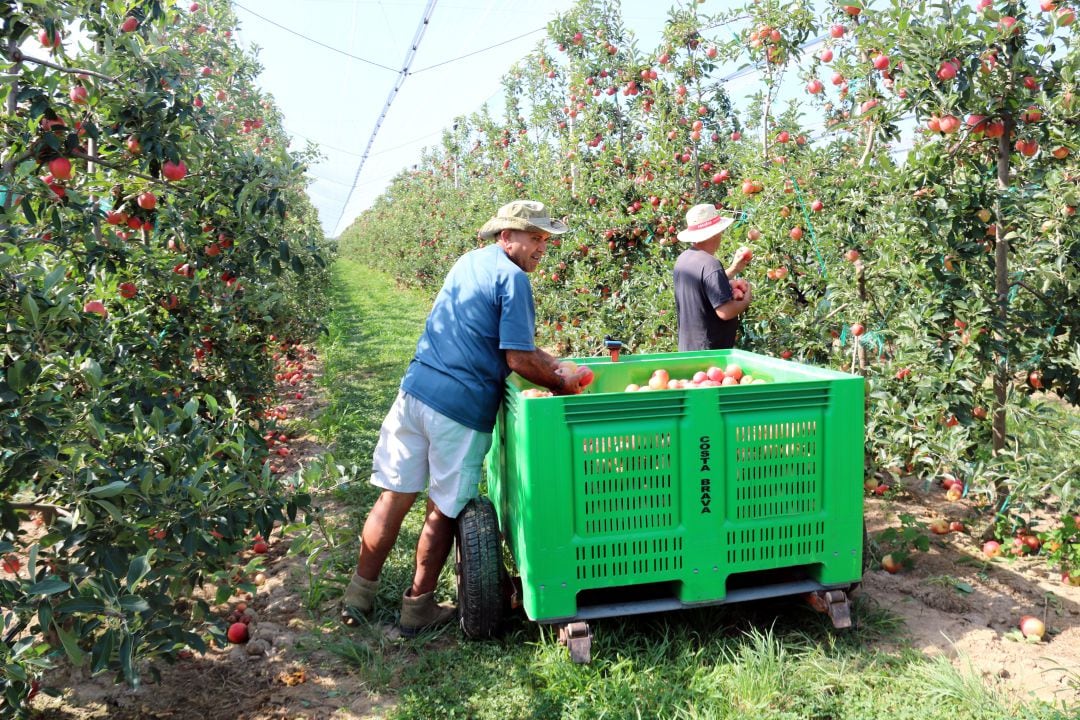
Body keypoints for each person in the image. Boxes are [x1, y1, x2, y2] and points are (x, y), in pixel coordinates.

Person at [340, 200, 586, 635]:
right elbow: (516, 358)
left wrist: (553, 362)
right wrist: (559, 382)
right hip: (459, 408)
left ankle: (358, 596)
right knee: (441, 511)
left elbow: (513, 346)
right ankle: (418, 609)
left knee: (393, 498)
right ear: (506, 236)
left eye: (545, 240)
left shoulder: (470, 262)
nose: (541, 248)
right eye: (534, 237)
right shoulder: (514, 281)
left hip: (415, 392)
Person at [672, 203, 753, 351]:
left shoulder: (683, 259)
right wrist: (747, 299)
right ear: (715, 233)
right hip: (710, 353)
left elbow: (703, 286)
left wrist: (733, 269)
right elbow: (725, 312)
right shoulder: (711, 264)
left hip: (688, 348)